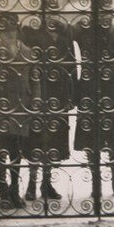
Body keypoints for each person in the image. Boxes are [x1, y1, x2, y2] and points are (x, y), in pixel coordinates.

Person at [71, 6, 114, 199]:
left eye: (108, 12)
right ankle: (96, 183)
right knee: (91, 136)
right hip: (89, 90)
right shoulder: (84, 30)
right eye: (101, 12)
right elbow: (68, 32)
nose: (106, 16)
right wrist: (84, 20)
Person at [19, 15, 77, 202]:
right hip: (39, 93)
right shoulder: (32, 33)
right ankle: (31, 184)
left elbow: (72, 66)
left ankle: (46, 183)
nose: (50, 15)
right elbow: (26, 62)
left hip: (59, 96)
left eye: (53, 10)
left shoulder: (64, 34)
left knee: (54, 139)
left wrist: (72, 95)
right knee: (36, 138)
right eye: (47, 11)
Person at [0, 12, 39, 210]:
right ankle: (4, 194)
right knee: (1, 152)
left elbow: (34, 79)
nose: (7, 35)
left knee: (17, 153)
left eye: (10, 31)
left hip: (22, 107)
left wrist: (36, 99)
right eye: (3, 32)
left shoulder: (28, 51)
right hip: (1, 107)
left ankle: (14, 191)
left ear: (17, 31)